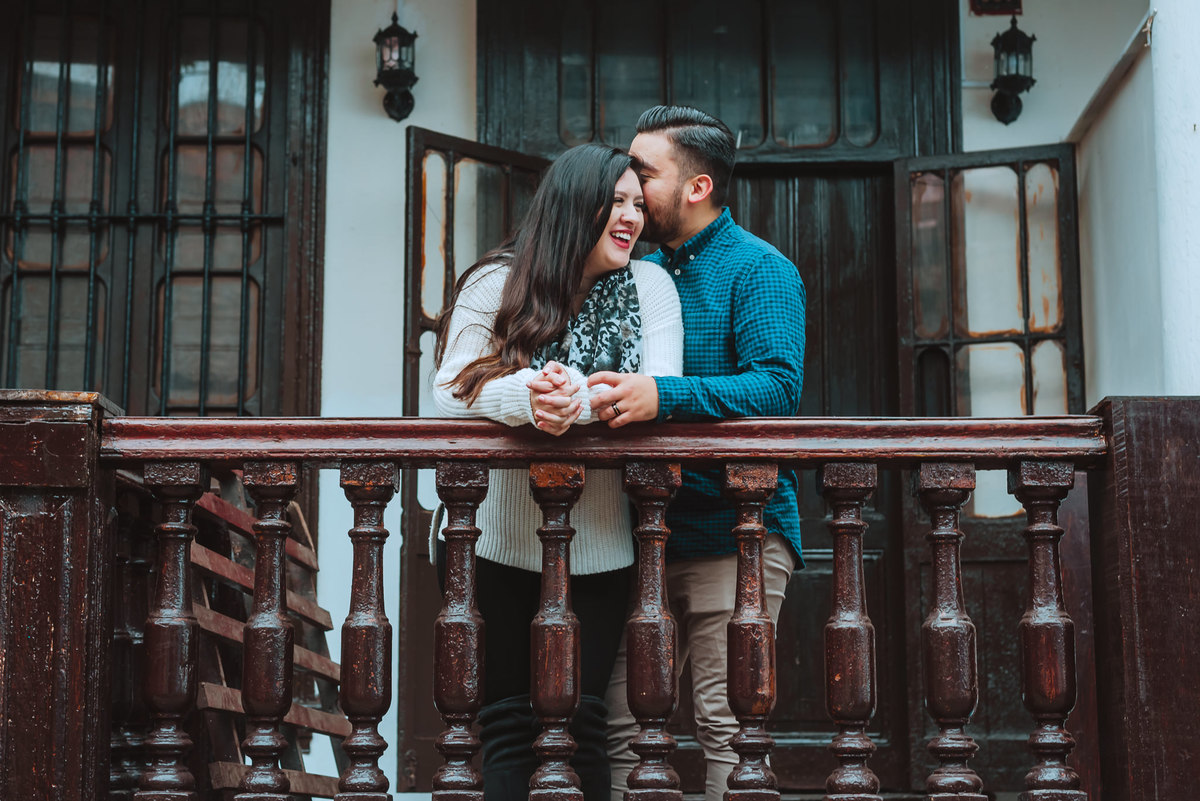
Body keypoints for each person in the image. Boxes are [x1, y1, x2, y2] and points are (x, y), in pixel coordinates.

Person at [431, 142, 683, 801]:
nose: (631, 216)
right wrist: (527, 398)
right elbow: (450, 386)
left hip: (602, 547)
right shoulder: (497, 282)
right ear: (576, 208)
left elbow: (663, 386)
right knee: (512, 725)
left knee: (583, 725)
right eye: (615, 202)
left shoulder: (651, 286)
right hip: (495, 541)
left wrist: (580, 401)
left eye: (637, 203)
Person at [587, 106, 807, 801]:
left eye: (644, 172)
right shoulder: (636, 272)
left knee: (728, 725)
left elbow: (777, 386)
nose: (628, 182)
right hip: (642, 538)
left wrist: (665, 395)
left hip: (737, 537)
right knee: (622, 725)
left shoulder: (761, 269)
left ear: (698, 186)